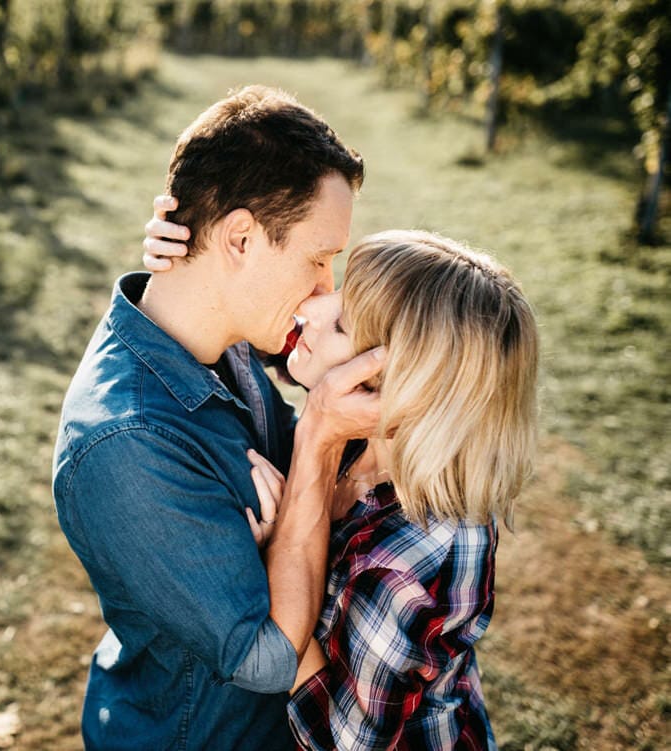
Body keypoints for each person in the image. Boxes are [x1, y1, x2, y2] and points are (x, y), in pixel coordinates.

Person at [52, 85, 382, 749]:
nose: (326, 288)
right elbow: (269, 661)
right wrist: (317, 441)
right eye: (318, 258)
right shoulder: (128, 443)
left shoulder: (220, 338)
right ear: (239, 237)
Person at [147, 227, 539, 749]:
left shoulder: (410, 563)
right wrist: (194, 256)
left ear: (400, 385)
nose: (311, 307)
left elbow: (343, 740)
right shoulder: (363, 437)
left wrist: (267, 574)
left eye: (342, 323)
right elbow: (257, 337)